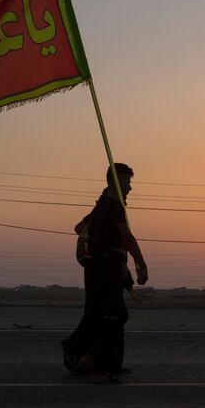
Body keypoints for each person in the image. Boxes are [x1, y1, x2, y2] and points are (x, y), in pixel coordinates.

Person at [61, 163, 148, 383]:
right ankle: (97, 366)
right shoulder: (113, 206)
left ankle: (78, 352)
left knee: (95, 314)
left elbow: (80, 228)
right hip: (105, 268)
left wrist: (100, 239)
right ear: (116, 182)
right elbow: (127, 237)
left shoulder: (102, 205)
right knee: (115, 315)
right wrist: (140, 262)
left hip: (95, 268)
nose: (130, 188)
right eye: (127, 182)